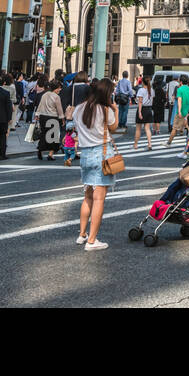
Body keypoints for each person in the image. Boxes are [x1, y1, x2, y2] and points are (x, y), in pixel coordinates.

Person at [70, 77, 119, 251]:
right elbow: (114, 128)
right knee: (99, 199)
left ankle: (82, 234)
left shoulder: (79, 109)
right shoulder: (105, 110)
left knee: (88, 196)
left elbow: (75, 125)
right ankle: (92, 240)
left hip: (85, 154)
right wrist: (115, 109)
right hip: (102, 153)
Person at [166, 76, 189, 147]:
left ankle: (168, 143)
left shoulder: (180, 89)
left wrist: (179, 111)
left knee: (174, 128)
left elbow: (179, 100)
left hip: (181, 112)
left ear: (180, 82)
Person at [133, 75, 154, 150]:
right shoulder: (151, 90)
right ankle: (149, 144)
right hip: (149, 109)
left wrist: (139, 112)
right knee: (147, 128)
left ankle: (135, 144)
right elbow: (152, 100)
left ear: (142, 82)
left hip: (142, 109)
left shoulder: (141, 90)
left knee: (138, 128)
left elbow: (140, 102)